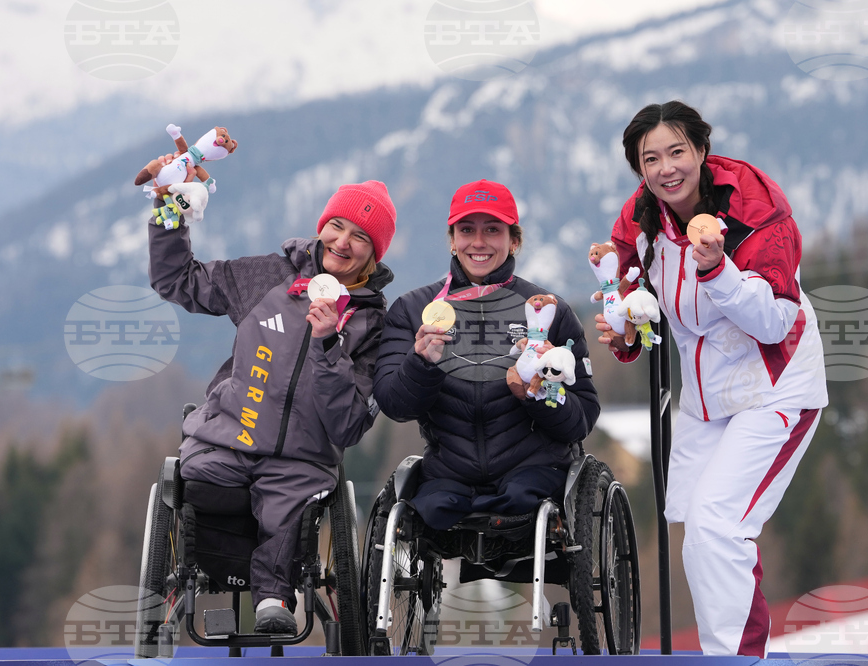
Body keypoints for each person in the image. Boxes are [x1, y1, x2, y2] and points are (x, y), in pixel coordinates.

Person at [597, 101, 828, 657]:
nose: (665, 168)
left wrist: (715, 267)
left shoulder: (755, 207)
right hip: (706, 401)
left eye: (677, 151)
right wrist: (628, 330)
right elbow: (633, 290)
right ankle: (726, 652)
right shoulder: (641, 217)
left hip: (775, 387)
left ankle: (735, 659)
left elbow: (776, 320)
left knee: (717, 526)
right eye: (650, 159)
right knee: (698, 536)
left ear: (702, 150)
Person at [148, 177, 396, 634]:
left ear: (374, 251)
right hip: (226, 438)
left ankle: (273, 599)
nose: (343, 242)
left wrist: (329, 349)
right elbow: (177, 279)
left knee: (289, 512)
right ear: (322, 226)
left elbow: (348, 425)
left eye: (360, 236)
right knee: (200, 482)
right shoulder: (268, 276)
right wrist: (170, 213)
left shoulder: (374, 327)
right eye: (336, 226)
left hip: (302, 459)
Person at [373, 179, 599, 533]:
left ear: (515, 240)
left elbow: (582, 418)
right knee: (428, 508)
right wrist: (422, 364)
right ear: (452, 239)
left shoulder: (547, 311)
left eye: (492, 230)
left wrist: (538, 390)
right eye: (466, 230)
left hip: (534, 473)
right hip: (449, 476)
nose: (478, 242)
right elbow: (394, 405)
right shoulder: (414, 309)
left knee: (522, 498)